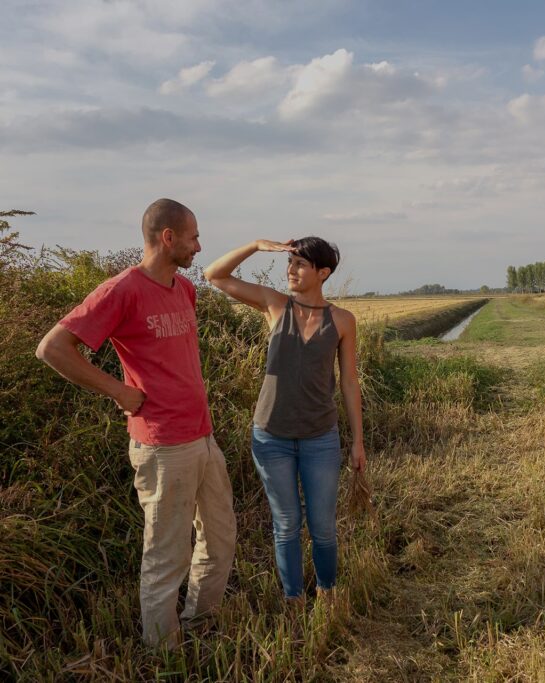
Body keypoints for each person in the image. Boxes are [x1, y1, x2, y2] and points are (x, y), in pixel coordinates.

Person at [35, 198, 236, 649]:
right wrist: (118, 391)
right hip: (163, 444)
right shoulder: (121, 290)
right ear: (168, 238)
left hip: (202, 437)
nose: (199, 246)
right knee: (167, 555)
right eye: (193, 237)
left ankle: (200, 625)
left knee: (220, 539)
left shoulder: (184, 289)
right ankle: (163, 652)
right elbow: (52, 349)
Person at [203, 237, 366, 604]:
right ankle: (293, 598)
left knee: (323, 528)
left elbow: (350, 382)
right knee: (286, 526)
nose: (291, 270)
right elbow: (214, 274)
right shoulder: (274, 305)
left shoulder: (342, 321)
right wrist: (255, 245)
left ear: (322, 273)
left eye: (300, 265)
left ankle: (328, 594)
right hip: (270, 437)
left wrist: (357, 440)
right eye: (289, 263)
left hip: (320, 438)